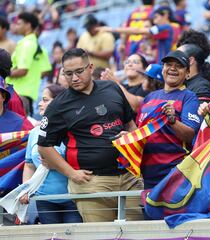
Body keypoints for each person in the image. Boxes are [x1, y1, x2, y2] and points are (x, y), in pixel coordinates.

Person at [37, 48, 144, 222]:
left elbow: (130, 124)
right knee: (100, 235)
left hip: (128, 177)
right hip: (91, 183)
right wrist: (71, 173)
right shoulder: (58, 106)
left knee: (136, 234)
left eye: (79, 71)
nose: (75, 78)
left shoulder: (112, 88)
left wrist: (130, 140)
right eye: (68, 73)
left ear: (90, 68)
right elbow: (43, 146)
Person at [19, 84, 83, 224]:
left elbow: (82, 160)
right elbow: (29, 165)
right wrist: (25, 189)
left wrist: (58, 164)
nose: (40, 104)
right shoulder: (35, 133)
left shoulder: (73, 129)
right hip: (44, 200)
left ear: (58, 102)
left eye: (45, 100)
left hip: (73, 198)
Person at [138, 50, 201, 189]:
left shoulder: (189, 97)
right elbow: (141, 132)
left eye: (178, 66)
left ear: (188, 73)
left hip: (174, 173)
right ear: (163, 69)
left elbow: (190, 135)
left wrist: (173, 121)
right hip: (147, 175)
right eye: (168, 64)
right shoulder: (150, 97)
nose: (172, 68)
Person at [6, 12, 51, 116]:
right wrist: (32, 78)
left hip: (18, 94)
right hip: (26, 94)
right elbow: (45, 71)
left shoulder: (27, 44)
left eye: (19, 23)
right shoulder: (38, 47)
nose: (17, 26)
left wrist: (4, 73)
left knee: (18, 129)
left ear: (28, 25)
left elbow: (22, 70)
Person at [99, 6, 174, 64]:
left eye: (156, 17)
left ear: (165, 15)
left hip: (161, 68)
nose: (155, 21)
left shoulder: (166, 28)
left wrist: (111, 29)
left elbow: (137, 31)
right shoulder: (141, 42)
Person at [176, 30, 210, 103]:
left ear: (191, 60)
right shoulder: (181, 83)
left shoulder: (202, 88)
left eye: (179, 55)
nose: (174, 59)